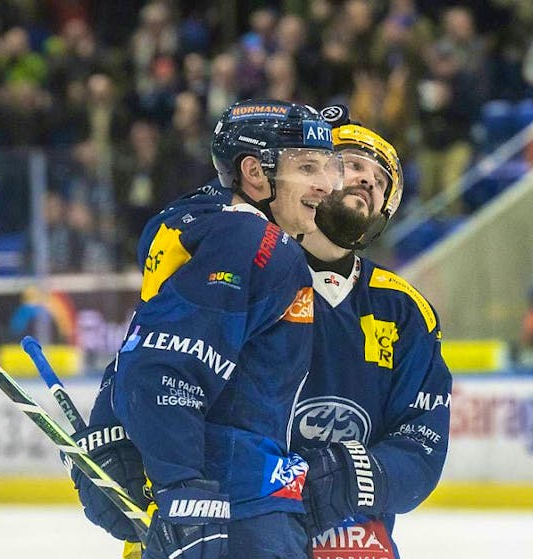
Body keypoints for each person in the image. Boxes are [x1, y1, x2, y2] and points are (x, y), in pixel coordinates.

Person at [70, 98, 344, 559]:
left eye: (328, 167)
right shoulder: (254, 240)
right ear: (256, 173)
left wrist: (107, 431)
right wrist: (184, 490)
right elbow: (164, 365)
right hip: (240, 513)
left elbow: (144, 347)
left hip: (207, 511)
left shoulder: (206, 224)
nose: (326, 185)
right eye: (308, 167)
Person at [293, 106, 453, 558]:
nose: (368, 180)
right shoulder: (250, 272)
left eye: (380, 181)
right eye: (352, 165)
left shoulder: (405, 310)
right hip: (246, 524)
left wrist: (353, 475)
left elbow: (420, 440)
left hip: (349, 536)